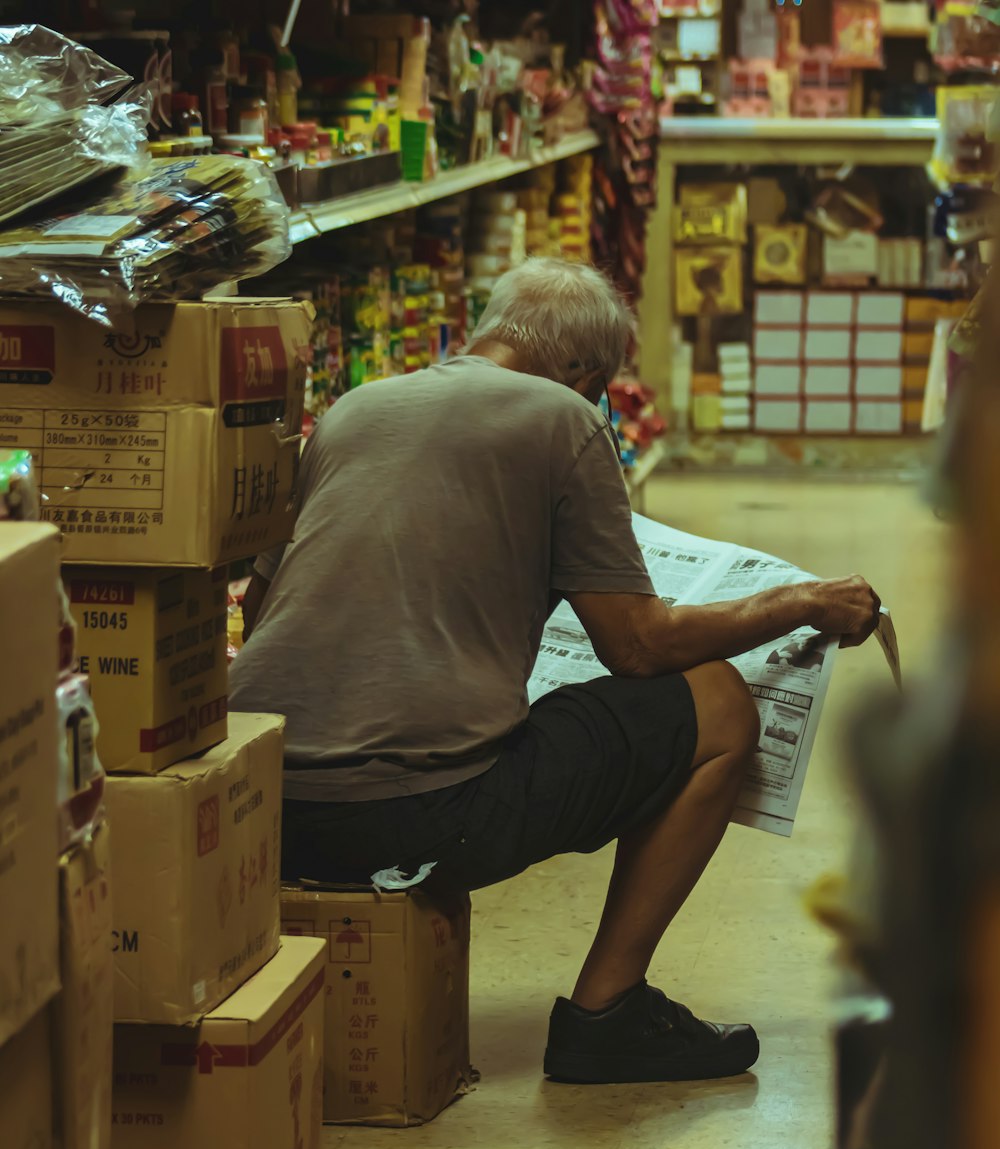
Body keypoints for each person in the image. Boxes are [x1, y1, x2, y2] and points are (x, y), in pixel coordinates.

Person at [230, 257, 880, 1085]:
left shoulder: (355, 410)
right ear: (588, 376)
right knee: (716, 703)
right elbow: (637, 646)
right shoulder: (565, 422)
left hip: (267, 805)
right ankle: (607, 1013)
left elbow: (259, 614)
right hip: (419, 818)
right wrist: (798, 602)